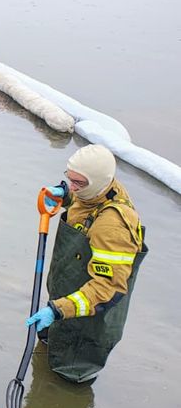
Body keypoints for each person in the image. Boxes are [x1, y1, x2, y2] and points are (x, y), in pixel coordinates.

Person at [25, 144, 148, 383]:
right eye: (69, 179)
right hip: (66, 302)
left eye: (78, 184)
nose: (72, 186)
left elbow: (108, 288)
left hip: (88, 326)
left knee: (65, 380)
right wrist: (66, 195)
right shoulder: (97, 192)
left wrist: (58, 309)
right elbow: (84, 201)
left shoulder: (113, 227)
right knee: (44, 361)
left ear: (98, 182)